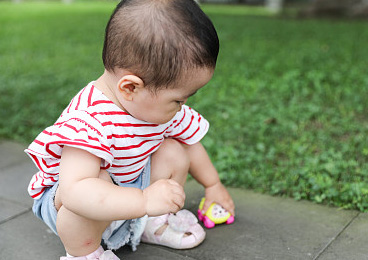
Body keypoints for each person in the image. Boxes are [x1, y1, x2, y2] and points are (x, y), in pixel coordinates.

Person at [25, 0, 235, 259]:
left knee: (174, 151)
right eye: (178, 99)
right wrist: (144, 200)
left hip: (131, 186)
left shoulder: (156, 107)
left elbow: (191, 144)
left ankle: (149, 222)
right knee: (95, 181)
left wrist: (213, 185)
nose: (184, 106)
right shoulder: (89, 121)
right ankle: (86, 253)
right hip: (77, 206)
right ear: (131, 87)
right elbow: (74, 192)